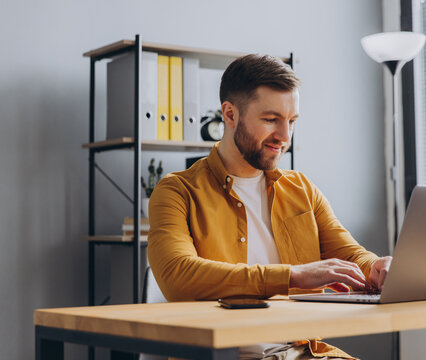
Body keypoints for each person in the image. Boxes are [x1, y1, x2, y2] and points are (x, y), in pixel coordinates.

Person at [148, 54, 392, 360]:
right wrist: (292, 275)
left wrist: (378, 268)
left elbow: (349, 255)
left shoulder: (302, 189)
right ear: (230, 114)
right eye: (270, 119)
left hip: (305, 353)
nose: (285, 137)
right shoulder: (177, 191)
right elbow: (178, 275)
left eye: (291, 121)